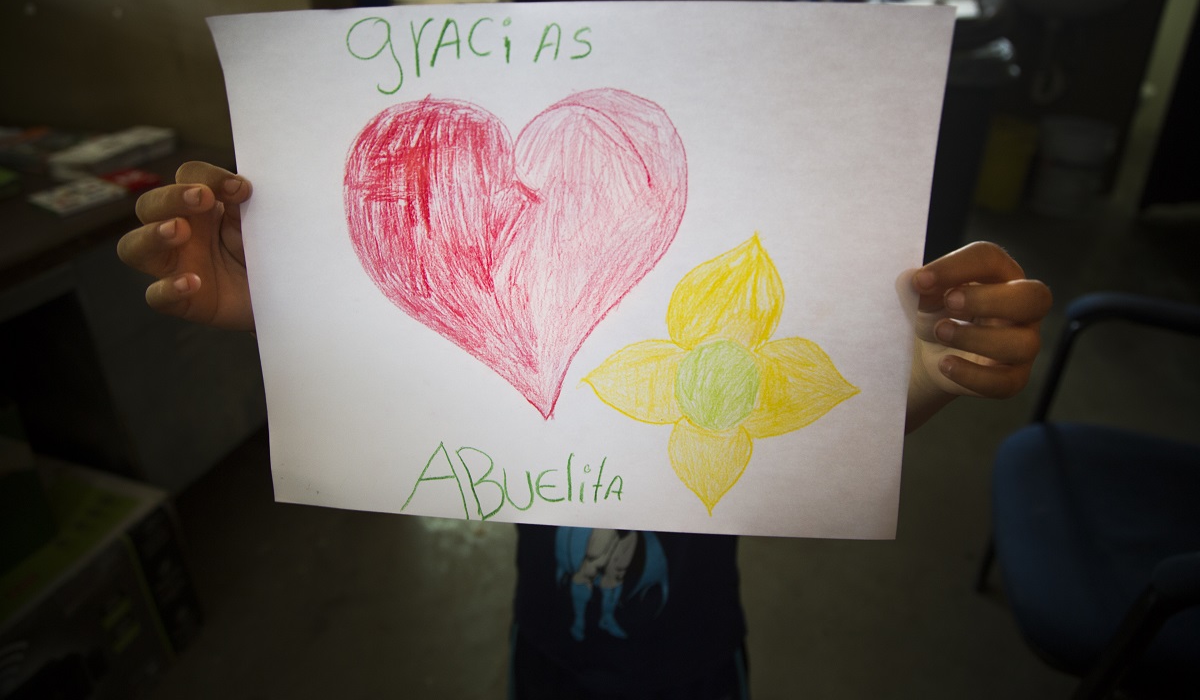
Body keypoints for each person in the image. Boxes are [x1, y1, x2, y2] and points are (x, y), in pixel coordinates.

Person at [117, 162, 1052, 700]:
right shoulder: (542, 350)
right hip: (546, 650)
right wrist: (282, 302)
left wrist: (918, 375)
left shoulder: (715, 374)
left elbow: (818, 425)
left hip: (695, 662)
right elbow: (414, 375)